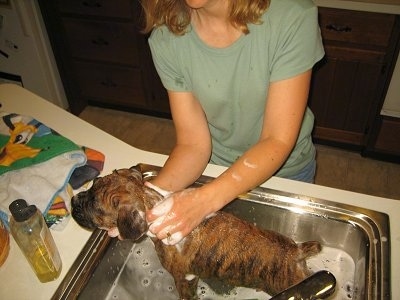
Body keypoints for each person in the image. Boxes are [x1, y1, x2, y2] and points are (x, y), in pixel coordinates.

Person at [139, 0, 325, 245]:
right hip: (216, 172)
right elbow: (193, 144)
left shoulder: (292, 16)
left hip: (285, 175)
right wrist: (149, 199)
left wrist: (203, 201)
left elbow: (276, 139)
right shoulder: (166, 37)